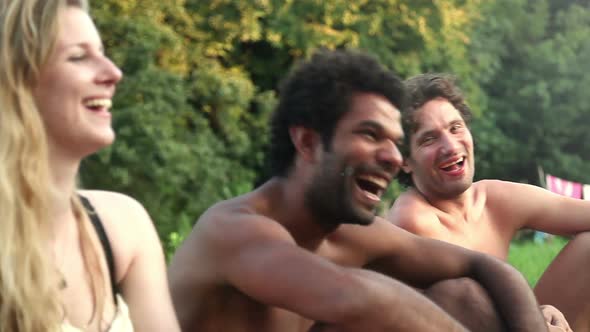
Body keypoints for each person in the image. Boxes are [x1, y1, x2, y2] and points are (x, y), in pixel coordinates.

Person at [168, 49, 548, 332]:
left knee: (464, 296)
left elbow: (484, 265)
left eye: (396, 143)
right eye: (370, 134)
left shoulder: (351, 234)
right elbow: (355, 299)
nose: (392, 158)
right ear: (308, 142)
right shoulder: (234, 230)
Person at [0, 1, 180, 331]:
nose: (113, 73)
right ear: (17, 85)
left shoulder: (124, 228)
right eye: (79, 57)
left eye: (102, 52)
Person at [387, 73, 590, 332]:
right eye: (429, 138)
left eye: (455, 128)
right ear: (405, 160)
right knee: (462, 293)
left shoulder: (492, 199)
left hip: (517, 321)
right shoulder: (411, 220)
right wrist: (537, 316)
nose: (450, 146)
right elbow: (465, 307)